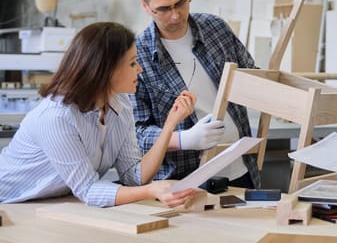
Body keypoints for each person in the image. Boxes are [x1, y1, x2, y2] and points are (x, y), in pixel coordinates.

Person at [0, 22, 196, 207]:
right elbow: (88, 189)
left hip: (47, 202)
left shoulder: (121, 104)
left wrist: (170, 125)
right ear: (105, 69)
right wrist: (150, 191)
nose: (140, 69)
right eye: (132, 63)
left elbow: (134, 177)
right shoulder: (56, 117)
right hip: (9, 203)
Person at [132, 0, 261, 189]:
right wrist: (185, 139)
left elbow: (252, 76)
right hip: (186, 181)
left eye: (181, 3)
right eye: (163, 9)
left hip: (242, 168)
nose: (175, 15)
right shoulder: (137, 55)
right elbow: (138, 133)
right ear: (145, 6)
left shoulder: (216, 29)